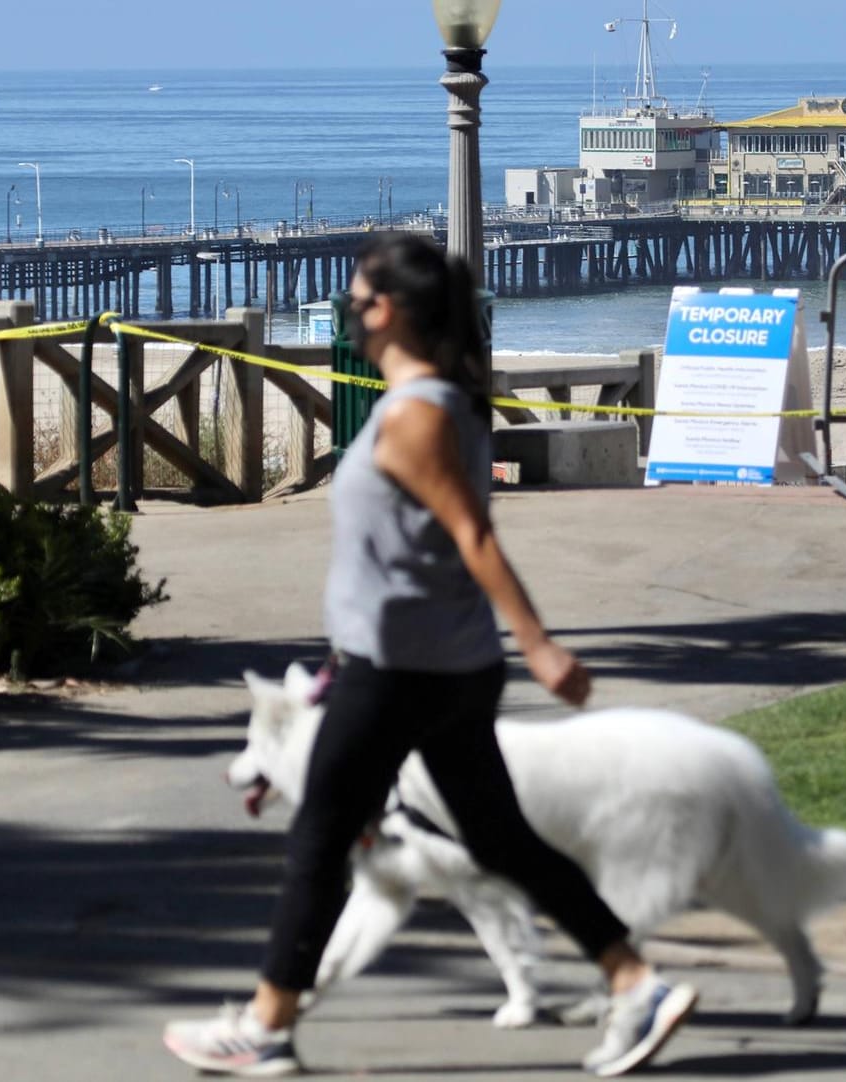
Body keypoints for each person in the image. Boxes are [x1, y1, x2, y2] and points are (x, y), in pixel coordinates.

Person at [161, 234, 696, 1078]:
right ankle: (635, 983)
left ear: (395, 313)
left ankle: (265, 1028)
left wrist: (542, 645)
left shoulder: (415, 416)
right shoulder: (439, 400)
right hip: (436, 664)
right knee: (499, 840)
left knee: (320, 842)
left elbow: (472, 535)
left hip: (403, 671)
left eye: (361, 301)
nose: (350, 314)